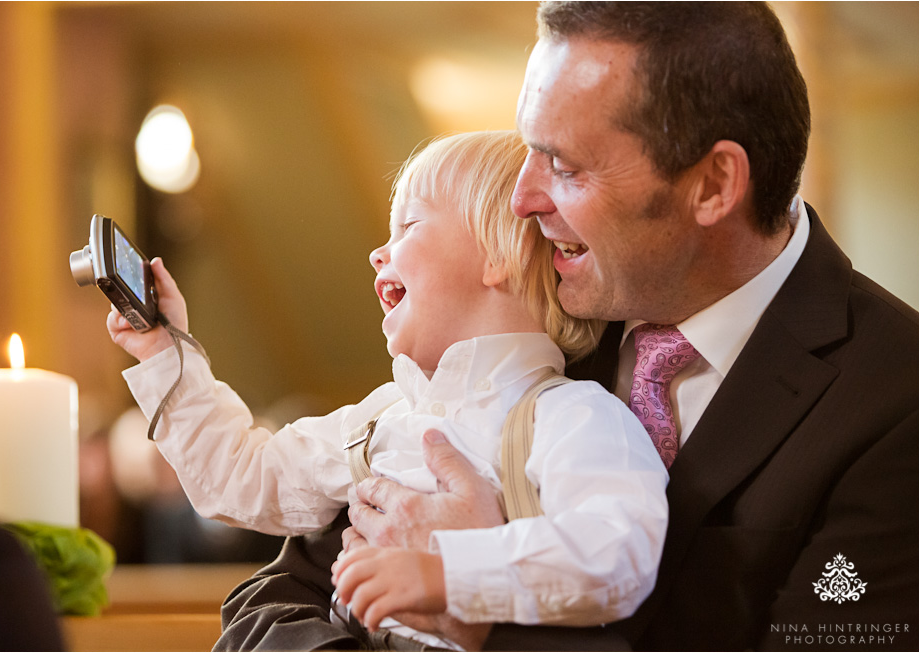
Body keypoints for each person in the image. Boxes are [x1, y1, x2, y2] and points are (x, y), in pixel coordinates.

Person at [216, 2, 919, 651]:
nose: (523, 198)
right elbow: (271, 605)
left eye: (565, 165)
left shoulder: (895, 398)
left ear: (713, 184)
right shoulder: (520, 323)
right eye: (529, 151)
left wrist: (478, 604)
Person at [109, 131, 668, 649]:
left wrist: (449, 571)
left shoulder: (574, 416)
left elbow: (618, 550)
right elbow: (241, 478)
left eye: (408, 227)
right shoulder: (378, 421)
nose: (378, 253)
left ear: (497, 256)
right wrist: (166, 356)